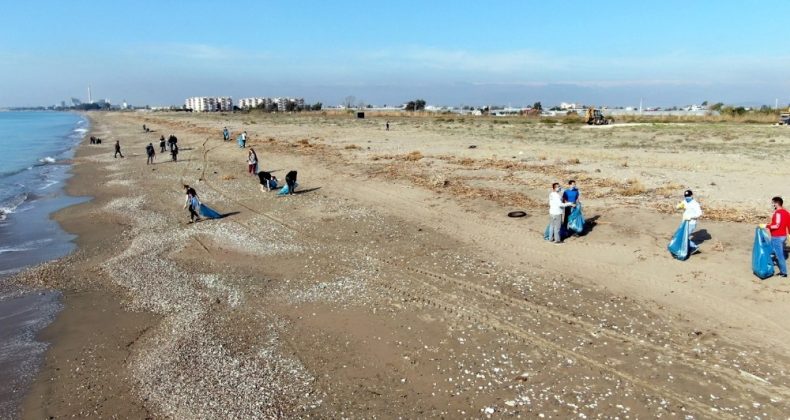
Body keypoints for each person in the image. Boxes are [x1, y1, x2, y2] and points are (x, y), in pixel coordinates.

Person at [762, 196, 790, 277]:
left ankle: (783, 273)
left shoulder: (778, 213)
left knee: (779, 255)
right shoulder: (786, 212)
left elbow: (777, 225)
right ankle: (771, 262)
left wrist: (766, 226)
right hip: (783, 236)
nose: (772, 205)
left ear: (777, 203)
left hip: (777, 237)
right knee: (772, 250)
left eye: (773, 203)